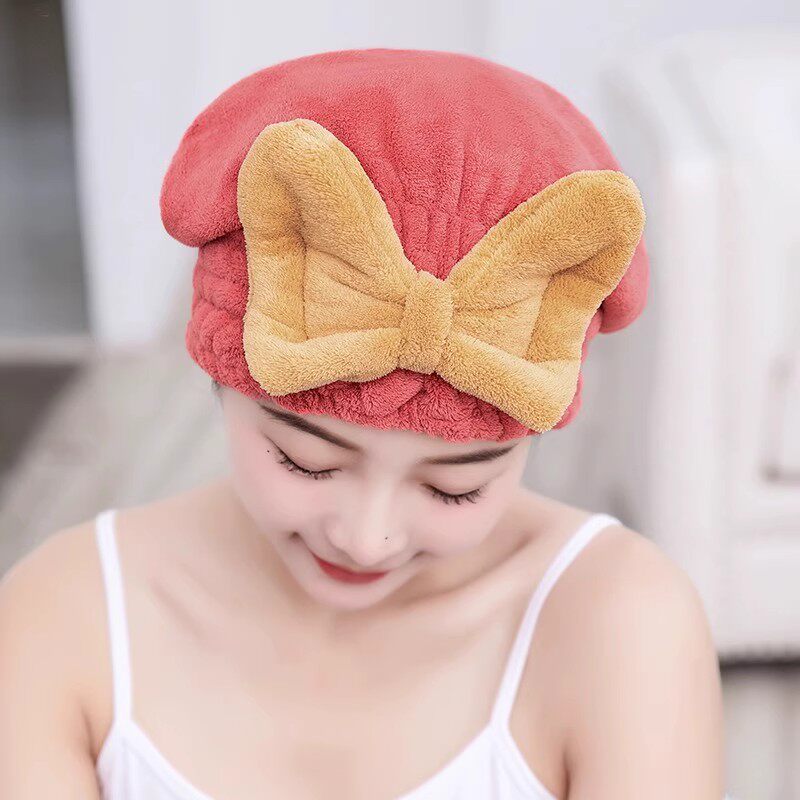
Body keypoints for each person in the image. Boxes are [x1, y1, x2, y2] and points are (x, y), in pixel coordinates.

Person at [0, 48, 727, 799]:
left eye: (454, 488)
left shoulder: (621, 622)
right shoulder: (68, 613)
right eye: (306, 461)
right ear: (220, 384)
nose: (365, 538)